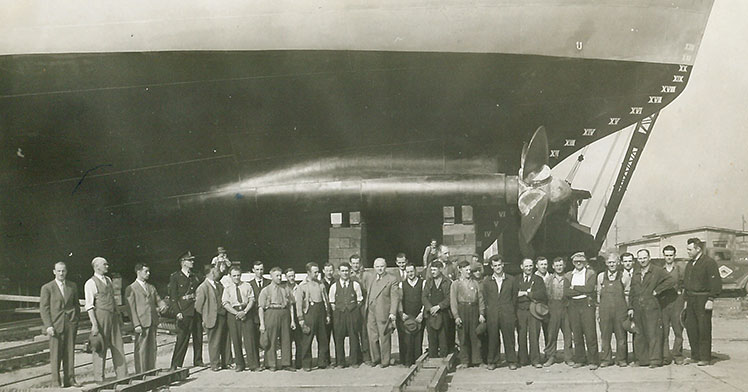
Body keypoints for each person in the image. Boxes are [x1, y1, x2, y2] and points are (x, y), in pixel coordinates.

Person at [630, 249, 675, 368]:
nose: (642, 260)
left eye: (644, 258)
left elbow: (671, 280)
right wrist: (631, 307)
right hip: (638, 307)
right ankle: (642, 360)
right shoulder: (636, 272)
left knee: (653, 333)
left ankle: (655, 360)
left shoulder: (657, 271)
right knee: (640, 334)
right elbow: (632, 291)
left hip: (652, 306)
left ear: (649, 258)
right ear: (637, 259)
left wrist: (657, 290)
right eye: (640, 258)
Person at [85, 257, 128, 381]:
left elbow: (114, 300)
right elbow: (89, 305)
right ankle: (99, 378)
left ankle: (122, 375)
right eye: (105, 264)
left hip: (113, 316)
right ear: (96, 266)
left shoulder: (108, 280)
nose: (107, 266)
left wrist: (119, 317)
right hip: (101, 316)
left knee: (118, 345)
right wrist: (94, 324)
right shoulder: (90, 283)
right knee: (100, 347)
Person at [40, 262, 80, 387]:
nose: (61, 273)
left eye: (63, 271)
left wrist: (75, 320)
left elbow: (76, 305)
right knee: (55, 354)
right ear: (54, 272)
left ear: (66, 271)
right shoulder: (47, 288)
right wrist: (48, 326)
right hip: (55, 326)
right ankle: (56, 382)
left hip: (70, 324)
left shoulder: (72, 286)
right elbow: (44, 308)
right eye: (59, 271)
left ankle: (70, 379)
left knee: (70, 353)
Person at [683, 238, 721, 366]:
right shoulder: (690, 264)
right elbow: (686, 284)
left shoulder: (709, 263)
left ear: (698, 249)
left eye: (690, 249)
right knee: (691, 328)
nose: (687, 251)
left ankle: (705, 357)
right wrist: (685, 301)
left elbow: (716, 283)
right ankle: (695, 355)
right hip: (691, 299)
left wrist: (710, 299)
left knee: (703, 328)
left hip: (703, 299)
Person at [126, 263, 165, 373]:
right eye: (146, 271)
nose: (148, 273)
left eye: (148, 271)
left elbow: (158, 299)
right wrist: (136, 324)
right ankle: (141, 373)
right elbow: (131, 308)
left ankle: (151, 371)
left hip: (152, 321)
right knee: (141, 349)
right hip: (141, 322)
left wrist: (162, 305)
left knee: (152, 348)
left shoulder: (151, 287)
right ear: (138, 272)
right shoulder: (131, 288)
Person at [482, 255, 518, 370]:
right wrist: (490, 309)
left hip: (507, 312)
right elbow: (485, 298)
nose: (498, 267)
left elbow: (514, 297)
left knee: (509, 337)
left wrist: (510, 309)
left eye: (499, 265)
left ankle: (511, 360)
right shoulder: (487, 281)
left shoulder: (511, 280)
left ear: (503, 265)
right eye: (495, 265)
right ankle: (492, 361)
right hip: (492, 313)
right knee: (493, 337)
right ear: (492, 267)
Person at [564, 252, 599, 369]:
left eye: (581, 261)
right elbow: (566, 292)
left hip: (586, 304)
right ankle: (580, 359)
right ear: (573, 262)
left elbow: (589, 289)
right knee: (577, 333)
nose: (578, 263)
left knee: (590, 333)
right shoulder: (569, 275)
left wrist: (574, 287)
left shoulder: (590, 273)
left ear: (584, 262)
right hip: (573, 305)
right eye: (576, 261)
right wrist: (581, 290)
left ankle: (593, 360)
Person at [258, 267, 297, 371]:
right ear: (271, 276)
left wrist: (292, 320)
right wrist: (262, 323)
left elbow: (291, 305)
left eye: (280, 275)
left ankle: (286, 363)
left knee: (286, 338)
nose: (279, 278)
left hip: (284, 313)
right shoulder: (265, 290)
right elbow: (261, 308)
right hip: (271, 313)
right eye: (277, 276)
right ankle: (271, 364)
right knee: (271, 339)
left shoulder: (285, 289)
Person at [295, 262, 331, 371]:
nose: (317, 274)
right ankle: (306, 363)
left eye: (317, 271)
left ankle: (322, 362)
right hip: (309, 313)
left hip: (320, 312)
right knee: (307, 339)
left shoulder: (321, 284)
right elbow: (299, 304)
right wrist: (301, 318)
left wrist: (328, 314)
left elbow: (326, 301)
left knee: (323, 339)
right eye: (314, 272)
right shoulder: (302, 286)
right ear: (308, 272)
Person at [222, 265, 259, 371]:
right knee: (236, 339)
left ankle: (253, 364)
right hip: (233, 314)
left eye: (238, 275)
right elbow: (225, 303)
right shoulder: (227, 288)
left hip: (246, 312)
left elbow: (252, 299)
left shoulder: (247, 286)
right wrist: (236, 313)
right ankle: (240, 364)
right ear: (230, 276)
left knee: (249, 339)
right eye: (234, 276)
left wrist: (245, 311)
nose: (237, 278)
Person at [450, 260, 485, 369]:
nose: (469, 272)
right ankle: (465, 361)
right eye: (466, 270)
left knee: (475, 335)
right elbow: (453, 301)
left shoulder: (475, 283)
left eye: (470, 270)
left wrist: (481, 313)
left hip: (474, 309)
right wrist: (456, 316)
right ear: (460, 270)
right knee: (463, 336)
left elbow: (480, 299)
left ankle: (477, 360)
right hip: (462, 309)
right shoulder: (455, 284)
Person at [329, 262, 364, 368]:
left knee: (353, 337)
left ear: (350, 272)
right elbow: (332, 302)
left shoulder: (355, 285)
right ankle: (341, 362)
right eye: (342, 271)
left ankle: (354, 361)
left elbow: (359, 300)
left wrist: (352, 310)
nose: (345, 273)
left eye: (346, 271)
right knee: (339, 338)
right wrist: (338, 311)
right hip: (339, 315)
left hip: (352, 313)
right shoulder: (334, 286)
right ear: (339, 272)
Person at [365, 257, 399, 367]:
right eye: (377, 267)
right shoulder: (371, 278)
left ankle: (385, 360)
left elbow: (395, 297)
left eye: (382, 266)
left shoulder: (391, 279)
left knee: (384, 337)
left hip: (383, 311)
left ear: (386, 267)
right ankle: (375, 358)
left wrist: (392, 312)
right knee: (372, 337)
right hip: (371, 311)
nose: (380, 269)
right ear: (374, 267)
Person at [597, 254, 628, 367]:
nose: (611, 265)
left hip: (620, 311)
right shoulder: (601, 276)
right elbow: (598, 294)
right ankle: (606, 358)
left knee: (621, 336)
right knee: (605, 336)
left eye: (614, 262)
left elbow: (627, 294)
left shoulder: (624, 276)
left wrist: (627, 309)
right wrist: (598, 311)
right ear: (606, 263)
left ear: (618, 263)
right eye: (609, 262)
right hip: (605, 310)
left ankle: (621, 359)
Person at [195, 265, 228, 371]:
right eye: (217, 271)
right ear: (212, 273)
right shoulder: (203, 287)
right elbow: (198, 306)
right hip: (211, 318)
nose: (218, 273)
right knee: (214, 342)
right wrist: (206, 315)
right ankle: (215, 363)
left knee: (225, 340)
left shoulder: (219, 285)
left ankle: (226, 362)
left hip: (222, 316)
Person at [516, 258, 547, 368]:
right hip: (520, 311)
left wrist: (526, 293)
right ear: (521, 267)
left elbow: (541, 294)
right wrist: (526, 294)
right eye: (526, 266)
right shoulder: (517, 279)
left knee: (534, 336)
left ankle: (535, 359)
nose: (528, 268)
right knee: (521, 335)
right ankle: (522, 359)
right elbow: (514, 295)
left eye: (530, 266)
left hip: (533, 311)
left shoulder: (538, 279)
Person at [543, 257, 573, 367]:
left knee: (568, 334)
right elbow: (545, 294)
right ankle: (551, 356)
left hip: (565, 307)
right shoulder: (549, 279)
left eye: (561, 265)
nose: (559, 267)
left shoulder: (568, 277)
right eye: (557, 265)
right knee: (551, 334)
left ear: (564, 265)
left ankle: (568, 357)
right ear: (553, 267)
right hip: (553, 307)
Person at [661, 245, 685, 365]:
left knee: (678, 328)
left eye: (671, 255)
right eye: (667, 255)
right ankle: (666, 356)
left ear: (674, 256)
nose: (669, 257)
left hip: (677, 302)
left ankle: (677, 354)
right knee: (664, 330)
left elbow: (684, 284)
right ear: (663, 256)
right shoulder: (661, 270)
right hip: (664, 303)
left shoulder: (680, 269)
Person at [422, 260, 451, 359]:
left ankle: (443, 359)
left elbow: (449, 298)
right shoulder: (428, 282)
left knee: (443, 339)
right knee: (432, 338)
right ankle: (432, 358)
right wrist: (430, 308)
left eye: (435, 270)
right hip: (430, 315)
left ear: (440, 270)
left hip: (443, 314)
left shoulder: (447, 282)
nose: (432, 272)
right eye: (431, 270)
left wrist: (439, 307)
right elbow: (424, 297)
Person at [398, 263, 425, 367]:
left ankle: (418, 363)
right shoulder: (402, 284)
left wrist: (422, 313)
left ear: (415, 271)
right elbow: (399, 300)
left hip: (419, 315)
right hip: (407, 316)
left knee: (418, 341)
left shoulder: (423, 283)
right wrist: (402, 314)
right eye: (408, 272)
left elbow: (424, 298)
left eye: (412, 271)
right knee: (408, 341)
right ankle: (408, 363)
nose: (410, 274)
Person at [348, 254, 371, 365]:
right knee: (353, 331)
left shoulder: (366, 275)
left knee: (364, 331)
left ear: (360, 263)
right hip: (353, 307)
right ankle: (356, 357)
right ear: (350, 264)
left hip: (363, 305)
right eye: (353, 263)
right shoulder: (348, 275)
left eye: (357, 263)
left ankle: (366, 356)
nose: (355, 265)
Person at [248, 261, 270, 368]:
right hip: (254, 316)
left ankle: (267, 363)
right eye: (257, 269)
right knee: (254, 340)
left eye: (261, 269)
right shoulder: (249, 284)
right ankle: (256, 364)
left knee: (267, 340)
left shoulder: (269, 282)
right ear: (253, 270)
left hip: (267, 315)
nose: (259, 272)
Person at [284, 268, 303, 369]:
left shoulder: (299, 287)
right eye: (289, 276)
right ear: (286, 277)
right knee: (288, 339)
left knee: (299, 340)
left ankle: (299, 362)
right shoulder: (284, 288)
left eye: (293, 276)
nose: (291, 278)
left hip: (297, 312)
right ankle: (288, 363)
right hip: (287, 314)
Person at [620, 252, 636, 364]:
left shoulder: (637, 273)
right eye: (625, 261)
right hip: (622, 301)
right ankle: (623, 357)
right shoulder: (619, 275)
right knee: (622, 329)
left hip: (635, 301)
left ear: (633, 262)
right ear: (621, 263)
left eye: (630, 261)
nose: (628, 263)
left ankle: (637, 356)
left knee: (637, 329)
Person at [535, 256, 551, 359]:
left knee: (548, 331)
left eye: (545, 264)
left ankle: (548, 353)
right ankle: (535, 355)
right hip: (536, 307)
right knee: (535, 332)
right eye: (541, 264)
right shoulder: (533, 277)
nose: (544, 266)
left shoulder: (551, 277)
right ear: (537, 266)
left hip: (548, 307)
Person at [321, 263, 336, 366]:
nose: (329, 273)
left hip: (336, 313)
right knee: (325, 337)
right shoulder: (320, 283)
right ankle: (326, 360)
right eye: (327, 270)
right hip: (325, 314)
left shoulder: (337, 282)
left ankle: (339, 359)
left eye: (331, 270)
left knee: (337, 337)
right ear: (323, 271)